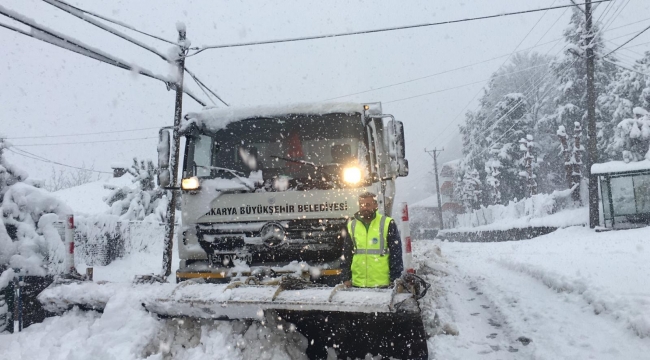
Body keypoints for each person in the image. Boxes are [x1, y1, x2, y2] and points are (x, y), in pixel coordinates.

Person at [341, 192, 403, 288]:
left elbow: (396, 254)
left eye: (368, 205)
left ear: (376, 205)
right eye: (362, 205)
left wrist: (395, 279)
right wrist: (346, 278)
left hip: (382, 285)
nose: (364, 208)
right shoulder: (352, 225)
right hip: (358, 284)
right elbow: (347, 254)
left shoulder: (387, 223)